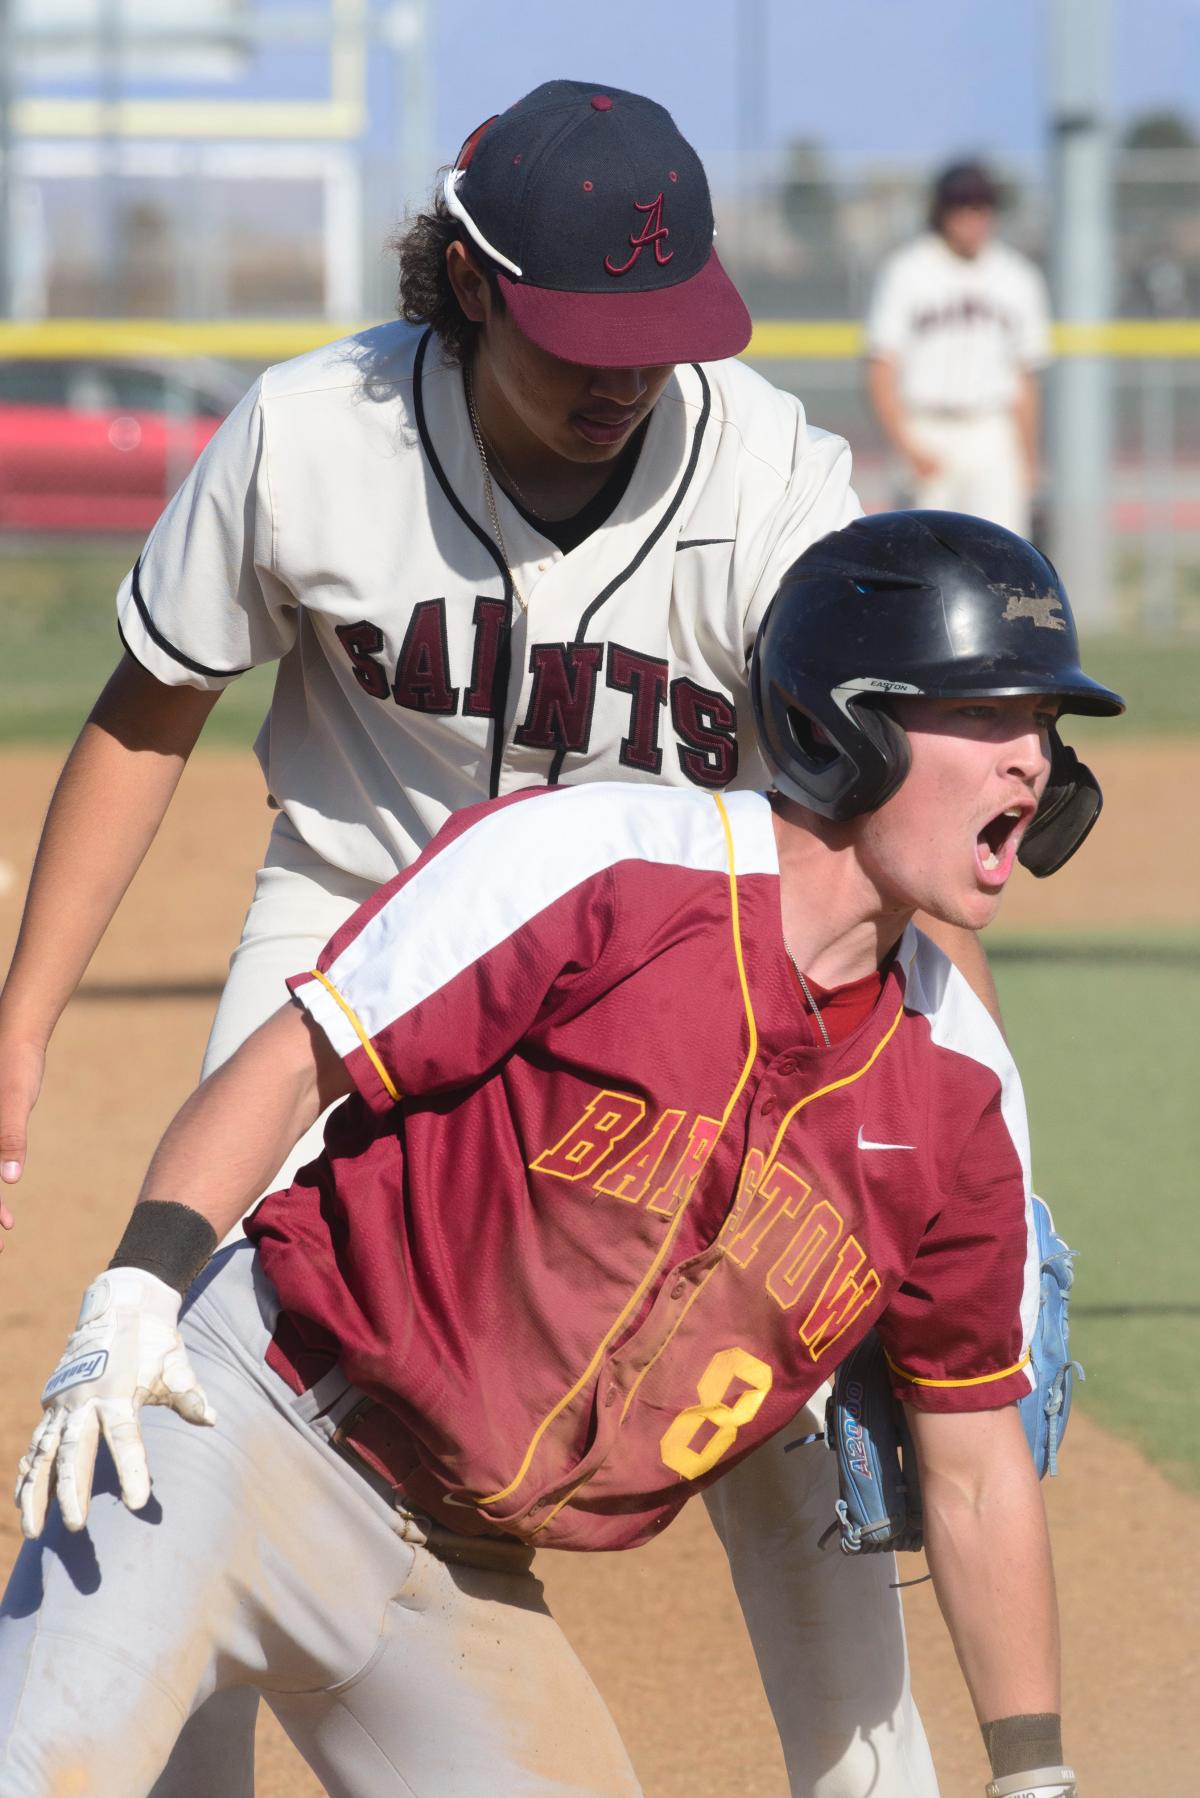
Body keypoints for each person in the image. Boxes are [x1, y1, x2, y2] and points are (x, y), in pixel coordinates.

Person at [0, 81, 1052, 1795]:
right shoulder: (310, 434)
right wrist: (23, 1015)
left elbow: (899, 822)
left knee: (805, 1412)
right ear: (472, 280)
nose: (627, 372)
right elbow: (150, 708)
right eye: (585, 332)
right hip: (350, 911)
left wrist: (984, 1132)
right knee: (193, 1362)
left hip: (672, 963)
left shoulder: (774, 479)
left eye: (661, 329)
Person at [865, 160, 1053, 539]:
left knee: (1003, 553)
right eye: (962, 207)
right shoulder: (908, 270)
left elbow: (1024, 378)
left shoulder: (1018, 277)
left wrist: (1029, 460)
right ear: (942, 211)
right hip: (926, 425)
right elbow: (881, 368)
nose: (973, 217)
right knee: (922, 559)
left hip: (991, 430)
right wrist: (906, 446)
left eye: (982, 207)